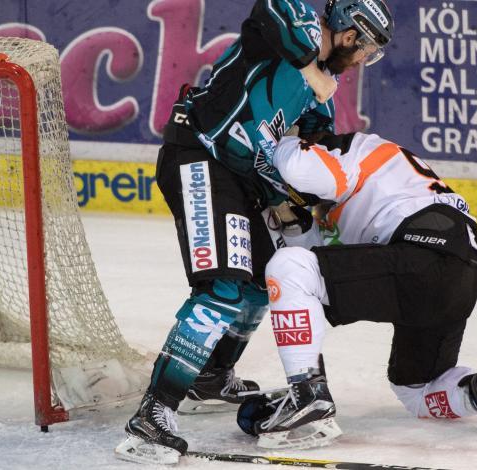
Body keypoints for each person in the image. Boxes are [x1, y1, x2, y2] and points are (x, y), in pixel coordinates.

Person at [114, 0, 394, 465]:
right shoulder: (299, 28)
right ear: (350, 33)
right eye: (367, 49)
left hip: (241, 177)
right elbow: (271, 8)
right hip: (199, 157)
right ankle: (154, 413)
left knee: (260, 284)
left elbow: (313, 144)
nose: (365, 59)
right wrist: (309, 67)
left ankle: (209, 376)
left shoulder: (325, 81)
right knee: (222, 290)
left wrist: (312, 202)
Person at [236, 132, 477, 449]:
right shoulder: (379, 186)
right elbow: (325, 277)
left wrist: (280, 142)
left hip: (421, 258)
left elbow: (297, 167)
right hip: (457, 281)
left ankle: (307, 398)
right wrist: (296, 223)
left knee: (288, 267)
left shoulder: (351, 151)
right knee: (417, 391)